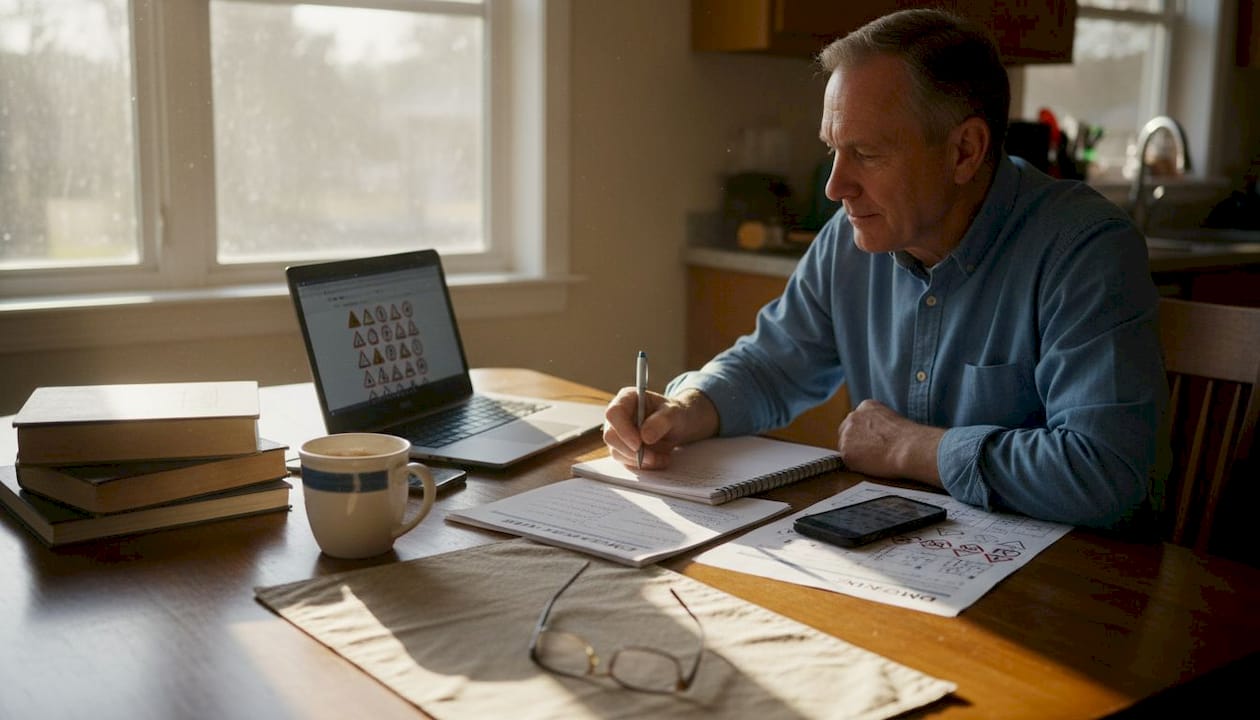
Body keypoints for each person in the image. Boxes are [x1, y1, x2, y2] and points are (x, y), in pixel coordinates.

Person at [603, 8, 1168, 529]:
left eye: (867, 154)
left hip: (1067, 594)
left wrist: (910, 447)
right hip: (902, 561)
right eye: (834, 150)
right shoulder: (849, 242)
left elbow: (1105, 472)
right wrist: (684, 408)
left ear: (965, 151)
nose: (834, 186)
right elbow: (771, 366)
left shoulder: (1085, 249)